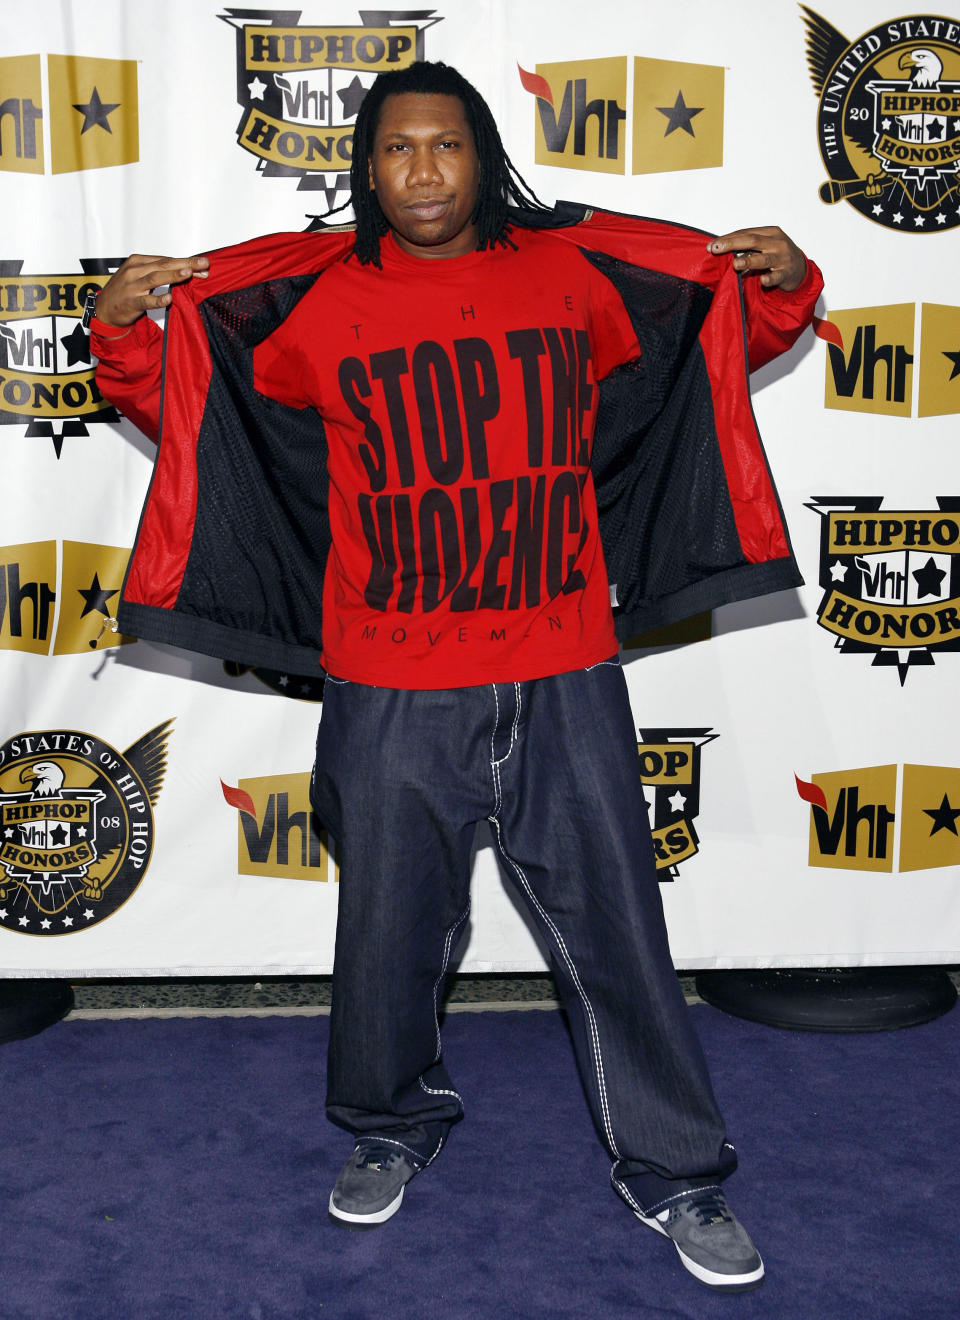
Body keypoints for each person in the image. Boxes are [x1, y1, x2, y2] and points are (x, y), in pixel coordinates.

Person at [91, 60, 822, 1294]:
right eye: (393, 151)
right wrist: (119, 326)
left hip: (564, 659)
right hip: (386, 674)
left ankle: (678, 1175)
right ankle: (390, 1124)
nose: (420, 169)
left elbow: (716, 341)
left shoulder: (576, 271)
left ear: (482, 155)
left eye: (442, 145)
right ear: (365, 171)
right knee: (385, 933)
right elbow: (185, 408)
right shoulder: (311, 300)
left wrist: (789, 284)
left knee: (619, 935)